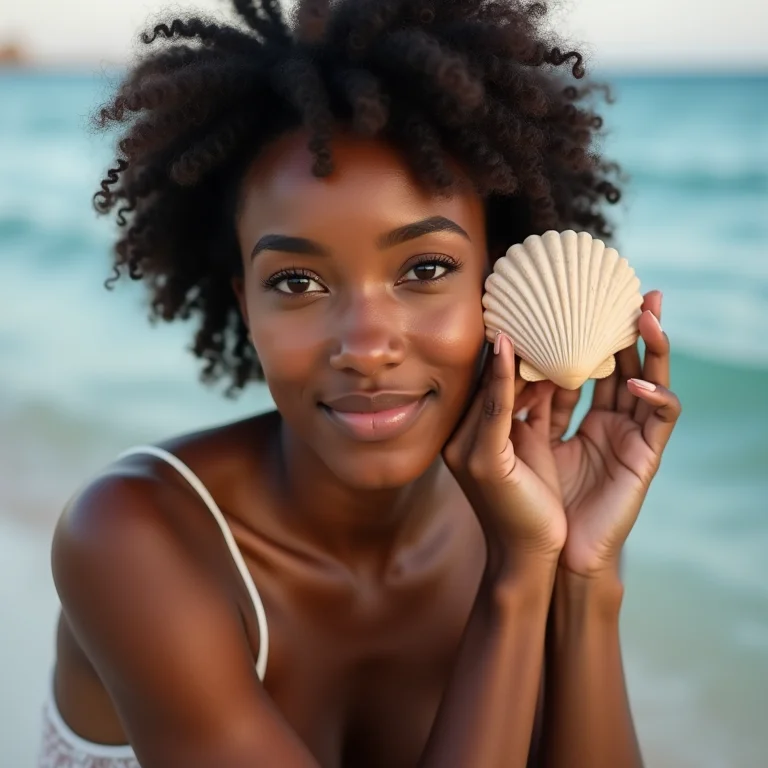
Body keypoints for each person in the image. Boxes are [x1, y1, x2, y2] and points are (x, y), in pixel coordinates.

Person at [40, 1, 682, 766]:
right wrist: (515, 585)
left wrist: (581, 576)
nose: (367, 346)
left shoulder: (532, 514)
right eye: (299, 280)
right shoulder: (133, 539)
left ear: (497, 283)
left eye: (425, 269)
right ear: (246, 304)